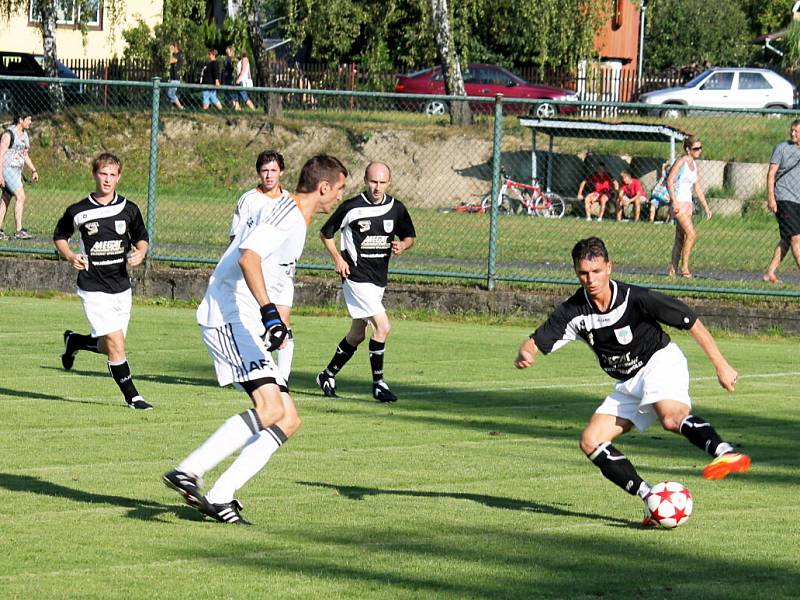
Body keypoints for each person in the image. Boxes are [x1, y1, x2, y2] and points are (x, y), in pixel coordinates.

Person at [514, 237, 751, 526]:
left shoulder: (635, 298)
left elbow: (689, 320)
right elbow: (537, 339)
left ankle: (725, 453)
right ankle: (652, 498)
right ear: (577, 272)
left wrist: (721, 364)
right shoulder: (573, 311)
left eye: (597, 271)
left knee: (670, 418)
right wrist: (526, 352)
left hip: (659, 362)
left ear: (609, 267)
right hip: (628, 382)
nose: (590, 279)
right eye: (583, 273)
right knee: (591, 441)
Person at [163, 155, 348, 525]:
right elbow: (249, 258)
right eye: (341, 189)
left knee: (288, 418)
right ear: (324, 187)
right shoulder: (287, 213)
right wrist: (267, 314)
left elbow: (276, 277)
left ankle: (220, 495)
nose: (340, 197)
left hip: (248, 321)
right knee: (269, 409)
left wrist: (279, 324)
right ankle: (189, 469)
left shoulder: (298, 221)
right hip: (229, 315)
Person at [53, 153, 151, 410]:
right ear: (95, 174)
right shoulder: (79, 210)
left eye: (112, 175)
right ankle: (133, 397)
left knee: (110, 346)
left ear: (119, 177)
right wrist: (71, 255)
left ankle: (75, 341)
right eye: (103, 174)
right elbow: (60, 235)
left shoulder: (129, 209)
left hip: (121, 286)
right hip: (92, 286)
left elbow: (142, 238)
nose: (107, 180)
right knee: (116, 344)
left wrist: (140, 253)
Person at [316, 161, 416, 402]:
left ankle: (327, 375)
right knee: (383, 327)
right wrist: (339, 259)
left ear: (388, 182)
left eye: (382, 182)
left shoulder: (396, 208)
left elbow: (409, 236)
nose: (377, 187)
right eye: (373, 181)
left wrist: (402, 245)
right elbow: (325, 233)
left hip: (378, 280)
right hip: (355, 277)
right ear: (365, 180)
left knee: (357, 334)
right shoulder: (352, 207)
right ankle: (378, 384)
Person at [229, 150, 296, 382]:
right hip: (257, 272)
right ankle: (253, 370)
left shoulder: (290, 201)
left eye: (273, 170)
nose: (269, 176)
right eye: (264, 170)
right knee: (259, 328)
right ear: (259, 172)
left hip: (283, 273)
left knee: (283, 325)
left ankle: (282, 380)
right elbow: (236, 239)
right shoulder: (249, 200)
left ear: (281, 172)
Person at [666, 136, 711, 278]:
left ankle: (672, 270)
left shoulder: (694, 165)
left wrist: (706, 207)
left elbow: (697, 187)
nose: (699, 151)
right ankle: (685, 268)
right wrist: (674, 201)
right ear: (688, 149)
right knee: (692, 234)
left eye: (700, 148)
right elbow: (670, 180)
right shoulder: (682, 161)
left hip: (688, 203)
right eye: (696, 148)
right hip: (678, 202)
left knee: (681, 238)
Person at [763, 119, 800, 284]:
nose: (792, 134)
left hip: (798, 199)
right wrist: (771, 197)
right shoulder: (782, 148)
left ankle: (769, 273)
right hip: (784, 198)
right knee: (796, 238)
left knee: (787, 238)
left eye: (796, 131)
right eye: (791, 130)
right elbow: (771, 173)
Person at [0, 109, 39, 240]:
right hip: (7, 170)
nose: (30, 122)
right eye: (28, 119)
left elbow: (25, 154)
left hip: (16, 172)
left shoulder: (25, 135)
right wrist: (0, 175)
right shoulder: (8, 134)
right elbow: (0, 156)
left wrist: (33, 170)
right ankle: (19, 230)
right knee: (21, 196)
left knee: (5, 200)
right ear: (21, 120)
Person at [166, 43, 184, 110]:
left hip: (175, 78)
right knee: (169, 93)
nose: (173, 48)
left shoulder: (179, 55)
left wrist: (170, 52)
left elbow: (171, 61)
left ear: (177, 48)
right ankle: (172, 108)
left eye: (174, 47)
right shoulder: (176, 55)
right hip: (172, 78)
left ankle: (180, 107)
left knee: (171, 94)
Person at [222, 46, 241, 111]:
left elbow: (234, 69)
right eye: (226, 50)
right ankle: (233, 106)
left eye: (227, 50)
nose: (226, 51)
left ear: (230, 51)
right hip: (226, 77)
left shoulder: (233, 59)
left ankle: (237, 106)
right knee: (228, 92)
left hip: (231, 78)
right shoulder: (226, 59)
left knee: (232, 92)